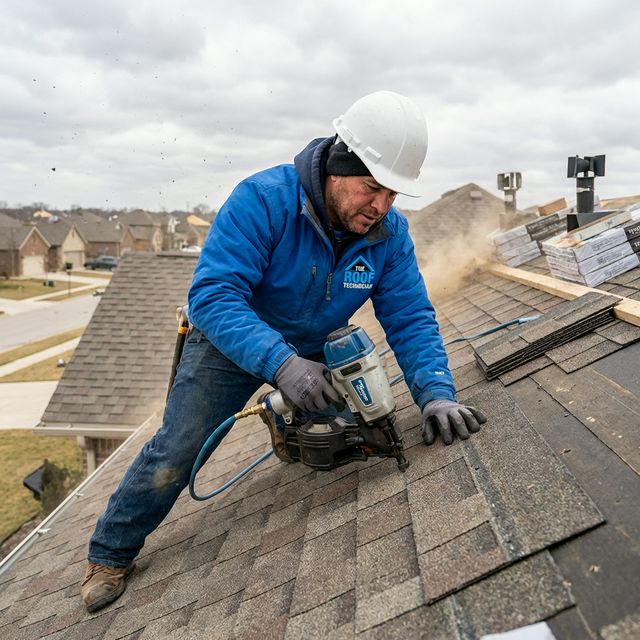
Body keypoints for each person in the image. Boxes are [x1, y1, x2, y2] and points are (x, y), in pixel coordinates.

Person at [80, 91, 486, 612]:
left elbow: (410, 318)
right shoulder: (264, 200)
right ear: (339, 169)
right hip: (231, 339)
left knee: (361, 422)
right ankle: (109, 552)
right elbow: (212, 296)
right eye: (372, 188)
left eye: (393, 195)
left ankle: (282, 414)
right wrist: (280, 363)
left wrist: (435, 393)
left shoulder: (389, 235)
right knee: (179, 446)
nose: (381, 206)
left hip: (316, 342)